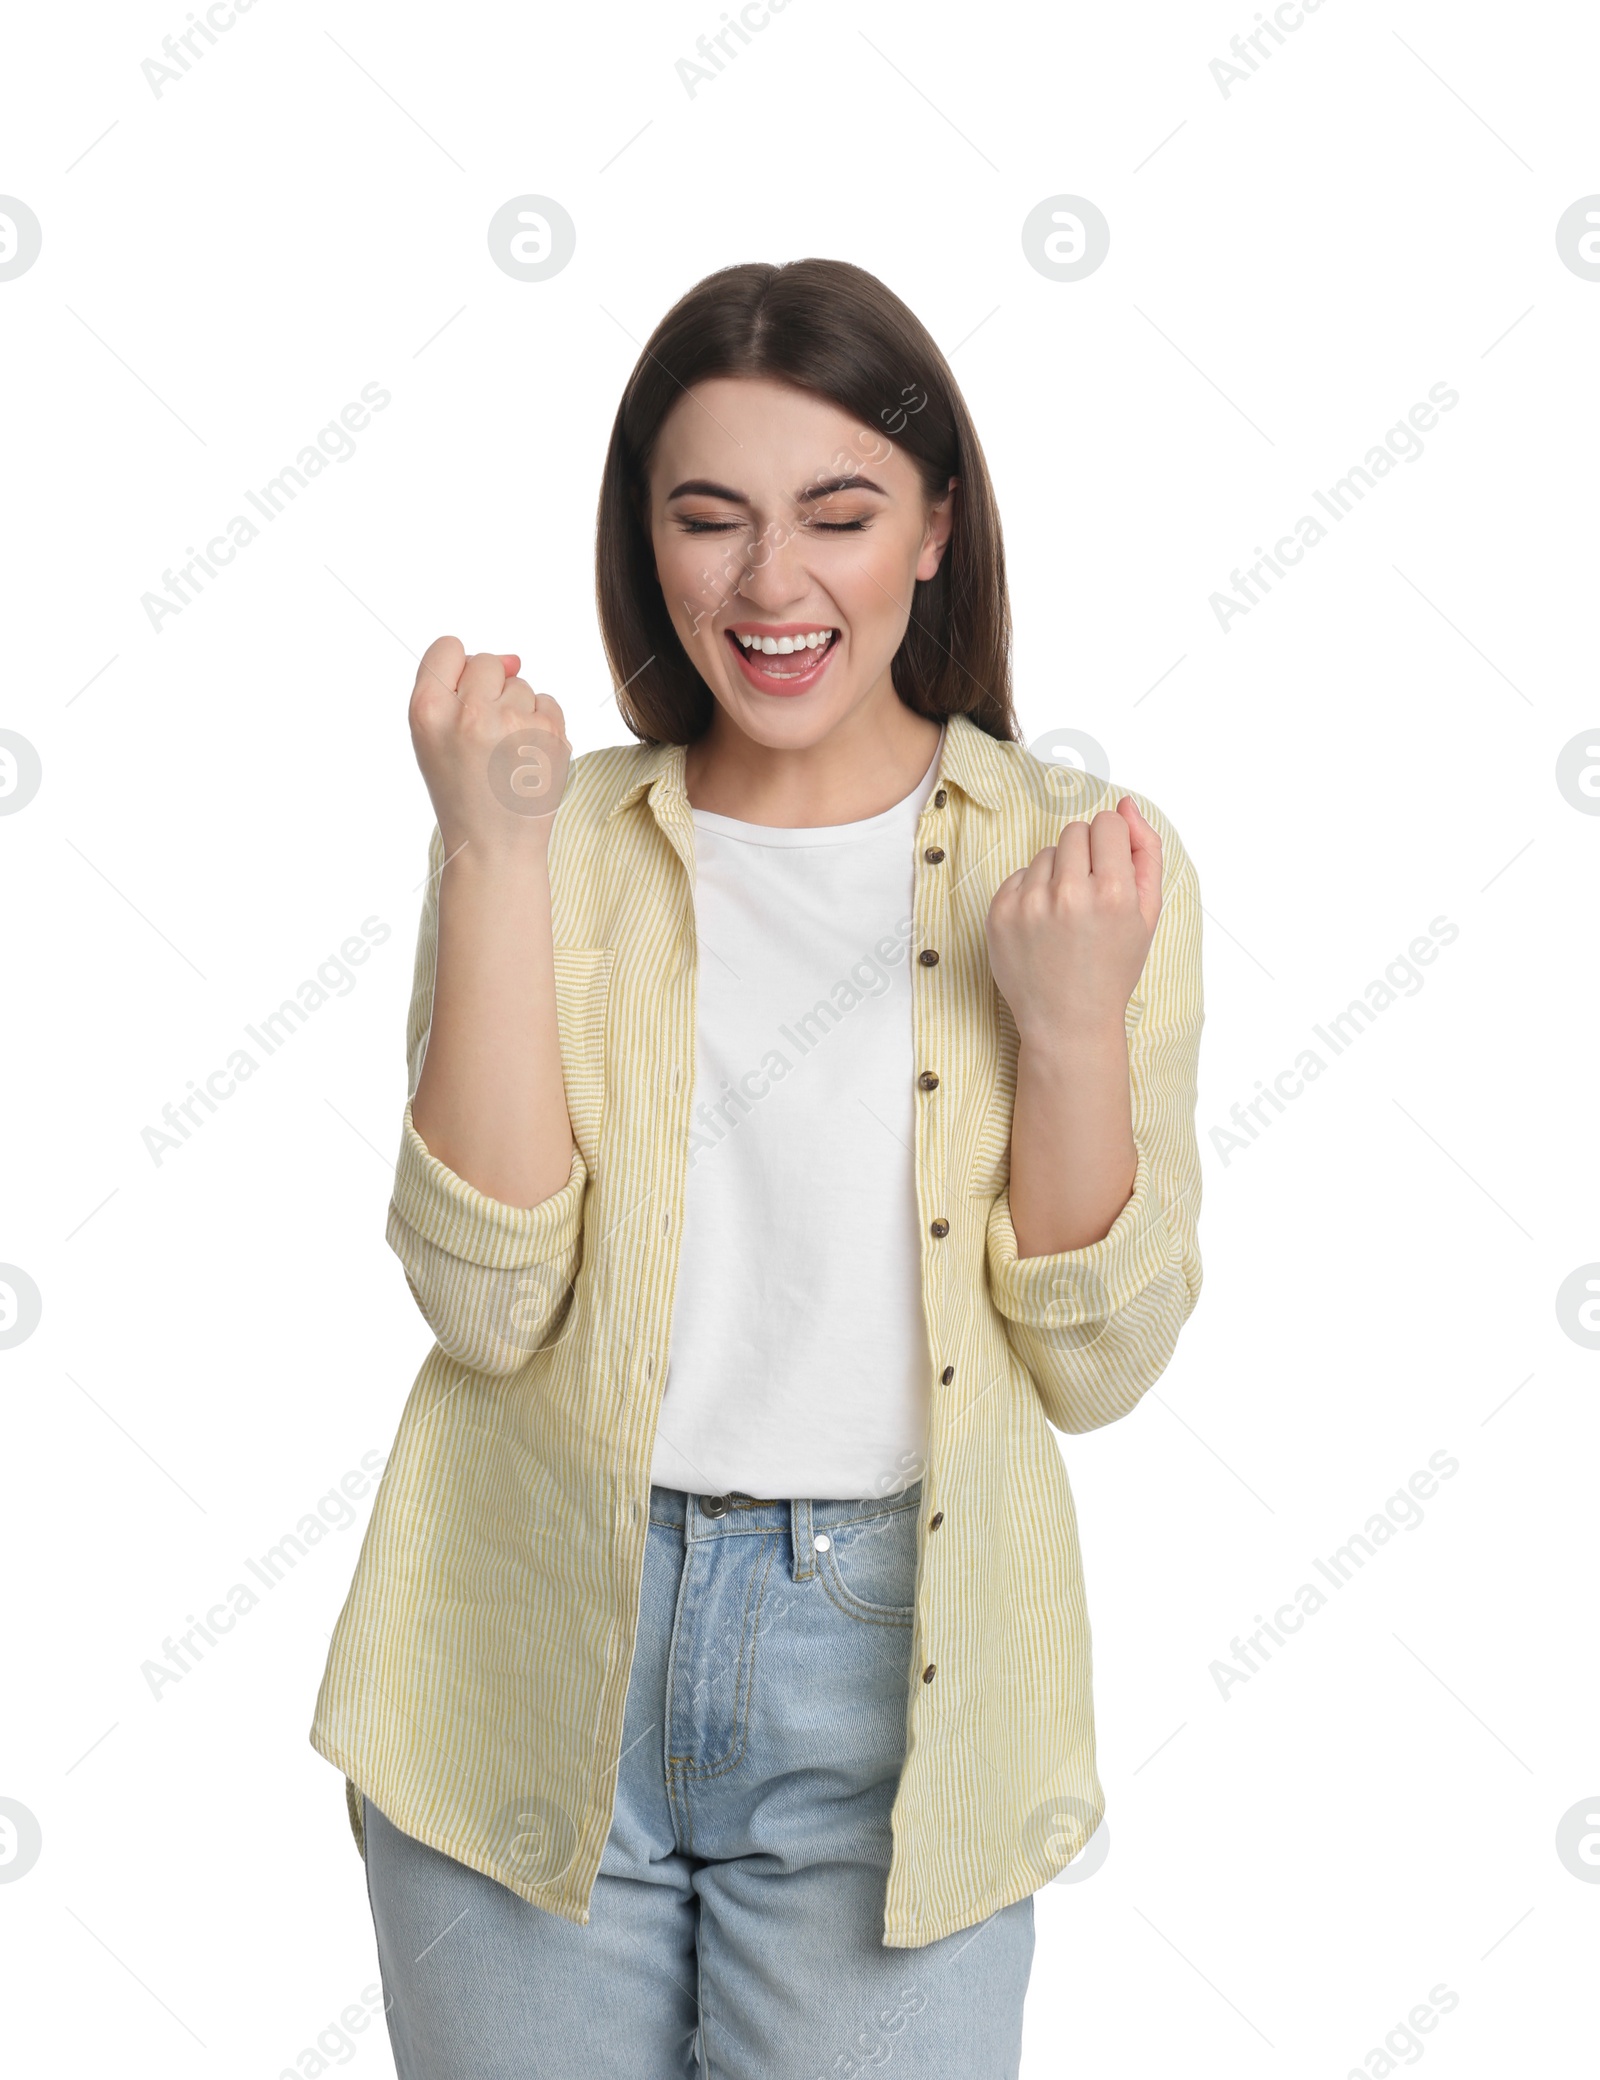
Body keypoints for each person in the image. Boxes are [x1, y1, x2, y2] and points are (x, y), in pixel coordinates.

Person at [311, 256, 1205, 2078]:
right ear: (646, 542)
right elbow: (488, 1305)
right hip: (530, 1626)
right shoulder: (553, 845)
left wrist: (1073, 1025)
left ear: (937, 527)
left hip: (900, 1669)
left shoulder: (1079, 858)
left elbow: (1101, 1368)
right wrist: (491, 856)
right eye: (707, 518)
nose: (772, 583)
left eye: (840, 514)